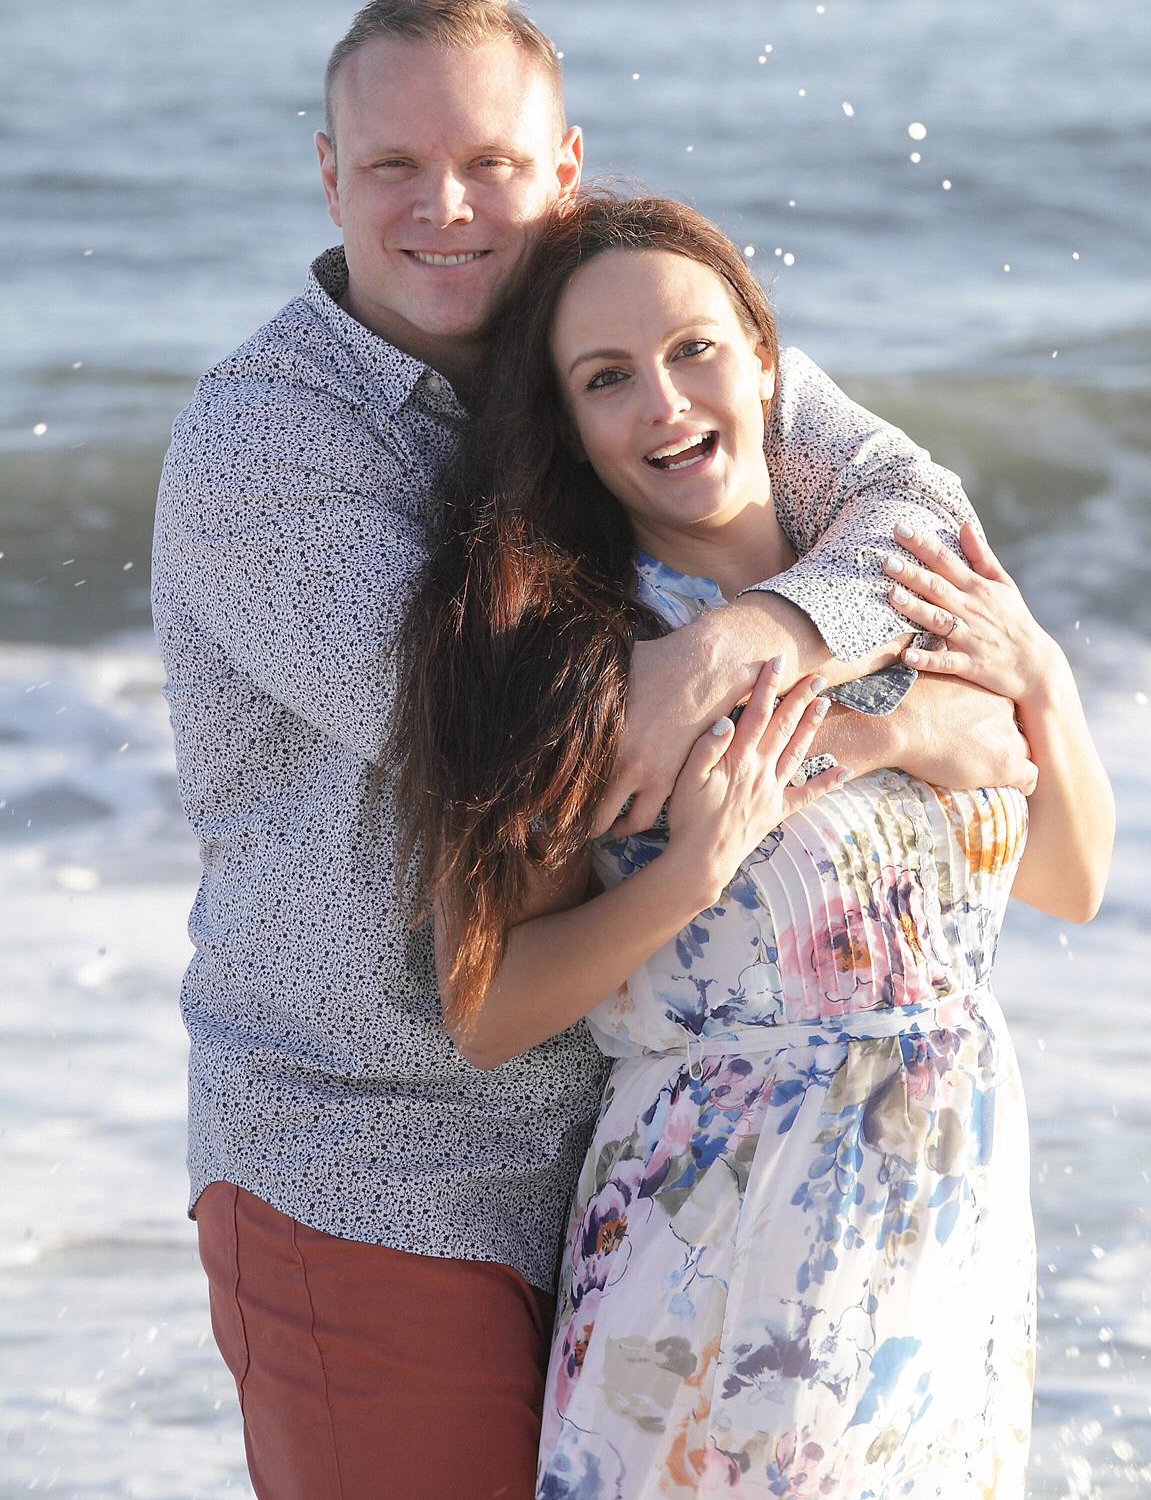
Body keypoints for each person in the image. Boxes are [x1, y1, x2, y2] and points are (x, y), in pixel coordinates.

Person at [152, 0, 1038, 1500]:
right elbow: (525, 752)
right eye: (392, 168)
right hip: (376, 1166)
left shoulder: (612, 328)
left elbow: (921, 518)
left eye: (491, 163)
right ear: (326, 175)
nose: (446, 208)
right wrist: (911, 722)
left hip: (647, 1150)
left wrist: (760, 633)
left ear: (564, 170)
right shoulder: (267, 442)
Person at [391, 194, 1114, 1498]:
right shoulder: (586, 658)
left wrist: (1025, 685)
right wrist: (688, 874)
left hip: (942, 1219)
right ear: (568, 425)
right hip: (727, 1230)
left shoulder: (906, 593)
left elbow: (1071, 878)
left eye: (693, 351)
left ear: (767, 363)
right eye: (606, 380)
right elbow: (487, 1007)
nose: (664, 405)